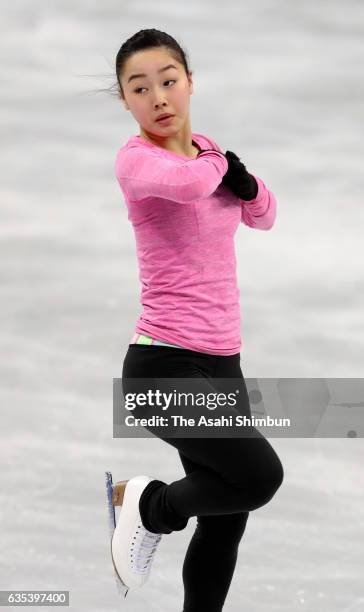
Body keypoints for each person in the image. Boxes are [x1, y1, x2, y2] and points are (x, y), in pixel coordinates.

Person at [110, 28, 284, 612]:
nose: (158, 97)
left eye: (168, 81)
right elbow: (188, 184)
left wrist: (247, 181)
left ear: (189, 83)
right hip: (162, 365)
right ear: (126, 100)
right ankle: (148, 504)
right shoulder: (138, 160)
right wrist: (218, 161)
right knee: (259, 477)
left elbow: (263, 216)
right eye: (140, 88)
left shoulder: (207, 153)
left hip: (221, 362)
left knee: (230, 513)